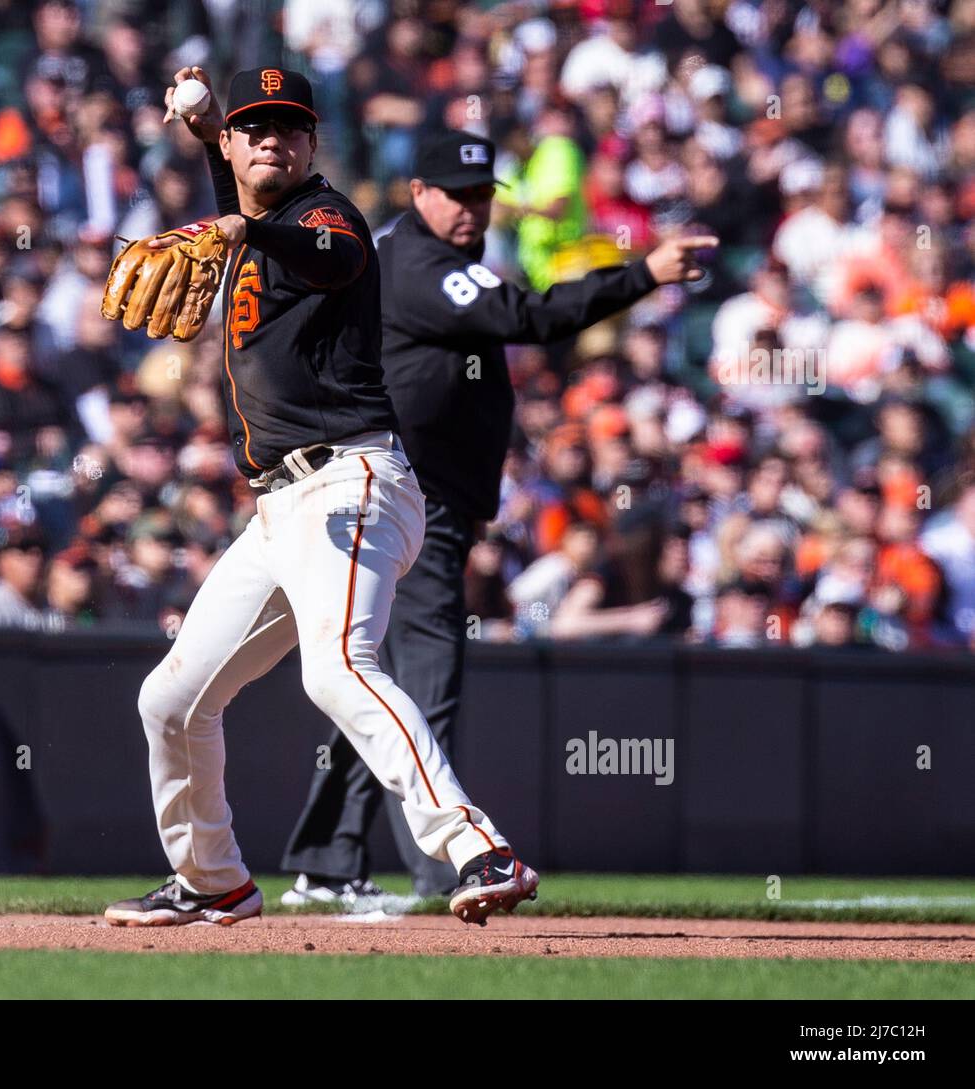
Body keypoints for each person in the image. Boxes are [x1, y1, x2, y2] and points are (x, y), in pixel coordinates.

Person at [103, 70, 539, 929]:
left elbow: (325, 253)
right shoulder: (253, 202)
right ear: (233, 144)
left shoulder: (326, 216)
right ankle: (213, 878)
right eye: (253, 127)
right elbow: (238, 187)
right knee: (171, 700)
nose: (273, 140)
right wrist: (201, 126)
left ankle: (477, 845)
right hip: (279, 509)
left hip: (354, 480)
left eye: (291, 128)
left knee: (338, 668)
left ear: (312, 145)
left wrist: (231, 208)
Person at [281, 129, 718, 901]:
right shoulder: (416, 263)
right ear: (418, 192)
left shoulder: (431, 261)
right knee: (424, 682)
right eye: (457, 192)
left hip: (412, 503)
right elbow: (533, 315)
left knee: (376, 682)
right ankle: (432, 866)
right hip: (405, 503)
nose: (472, 207)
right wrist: (642, 272)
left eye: (483, 195)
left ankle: (327, 856)